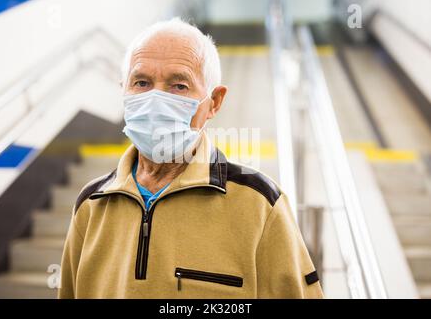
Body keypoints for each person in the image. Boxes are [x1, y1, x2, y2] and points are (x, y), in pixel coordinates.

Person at [58, 17, 323, 299]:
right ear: (124, 90)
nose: (155, 99)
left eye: (178, 86)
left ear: (214, 102)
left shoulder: (260, 205)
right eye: (142, 82)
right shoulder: (91, 204)